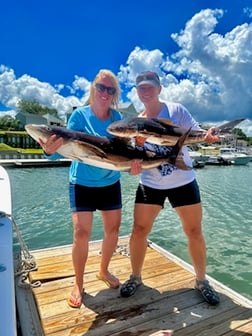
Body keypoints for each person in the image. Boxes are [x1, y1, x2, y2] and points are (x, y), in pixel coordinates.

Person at [120, 71, 220, 305]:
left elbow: (197, 133)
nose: (145, 91)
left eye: (150, 87)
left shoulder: (176, 110)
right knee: (138, 230)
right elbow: (134, 158)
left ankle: (202, 281)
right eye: (141, 88)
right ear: (137, 92)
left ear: (159, 89)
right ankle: (135, 277)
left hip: (182, 180)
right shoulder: (134, 123)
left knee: (194, 231)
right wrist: (132, 165)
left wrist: (209, 136)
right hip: (150, 183)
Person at [39, 69, 123, 308]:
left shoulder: (118, 120)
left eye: (110, 89)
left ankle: (103, 271)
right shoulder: (78, 117)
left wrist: (135, 164)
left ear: (115, 94)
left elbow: (123, 152)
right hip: (82, 183)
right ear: (93, 88)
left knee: (113, 231)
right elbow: (59, 153)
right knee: (81, 234)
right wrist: (48, 152)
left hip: (110, 181)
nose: (105, 93)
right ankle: (78, 282)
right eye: (101, 87)